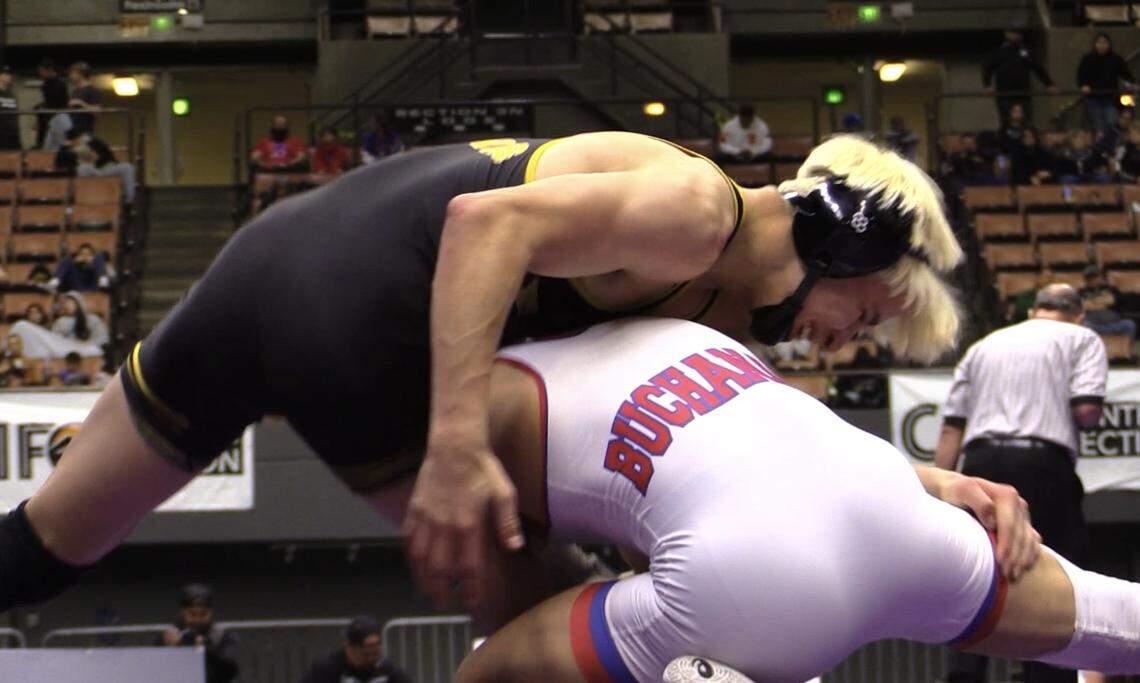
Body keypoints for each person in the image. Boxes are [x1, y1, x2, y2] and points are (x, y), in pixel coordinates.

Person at [4, 133, 964, 615]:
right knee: (543, 612)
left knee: (43, 551)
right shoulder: (694, 211)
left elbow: (772, 450)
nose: (847, 344)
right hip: (358, 305)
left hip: (272, 264)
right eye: (869, 315)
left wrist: (932, 483)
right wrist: (456, 444)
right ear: (839, 250)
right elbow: (481, 224)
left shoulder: (718, 308)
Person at [442, 317, 1139, 682]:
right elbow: (788, 458)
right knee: (1116, 619)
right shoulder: (689, 330)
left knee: (488, 667)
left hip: (740, 581)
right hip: (889, 502)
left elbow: (500, 568)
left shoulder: (482, 397)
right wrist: (946, 482)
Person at [935, 284, 1109, 683]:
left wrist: (939, 498)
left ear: (1034, 312)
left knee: (976, 571)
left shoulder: (984, 345)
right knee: (1054, 575)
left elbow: (950, 431)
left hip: (978, 463)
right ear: (1078, 314)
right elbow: (1086, 409)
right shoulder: (1082, 338)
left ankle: (963, 675)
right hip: (1041, 462)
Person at [160, 584, 239, 683]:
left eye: (203, 614)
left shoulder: (223, 636)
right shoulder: (169, 636)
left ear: (211, 612)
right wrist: (169, 650)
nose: (197, 619)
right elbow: (157, 670)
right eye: (192, 614)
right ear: (183, 612)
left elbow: (230, 670)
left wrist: (206, 650)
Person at [299, 615, 411, 683]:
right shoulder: (326, 669)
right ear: (349, 647)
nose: (373, 654)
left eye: (377, 646)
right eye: (368, 648)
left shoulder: (386, 670)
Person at [983, 29, 1058, 128]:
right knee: (1007, 123)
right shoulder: (998, 52)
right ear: (1007, 34)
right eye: (1014, 33)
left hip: (1024, 94)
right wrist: (987, 85)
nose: (1016, 36)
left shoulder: (1026, 52)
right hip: (1005, 95)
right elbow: (987, 69)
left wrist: (1049, 84)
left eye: (1019, 33)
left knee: (1026, 123)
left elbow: (1038, 69)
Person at [56, 127, 136, 202]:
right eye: (73, 141)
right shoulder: (65, 149)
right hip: (84, 172)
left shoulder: (94, 142)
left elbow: (109, 156)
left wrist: (97, 158)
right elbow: (59, 163)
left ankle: (129, 200)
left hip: (102, 169)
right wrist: (75, 154)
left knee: (127, 167)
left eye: (78, 139)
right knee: (84, 168)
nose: (76, 142)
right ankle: (84, 199)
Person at [1077, 33, 1135, 134]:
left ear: (1109, 44)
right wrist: (1083, 86)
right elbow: (1081, 76)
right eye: (1099, 43)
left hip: (1111, 98)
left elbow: (1126, 74)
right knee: (1099, 124)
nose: (1102, 45)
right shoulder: (1087, 59)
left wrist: (1131, 84)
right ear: (1095, 44)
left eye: (1104, 43)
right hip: (1093, 97)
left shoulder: (1116, 59)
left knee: (1112, 121)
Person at [1080, 266, 1136, 340]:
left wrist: (1093, 303)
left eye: (1095, 277)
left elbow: (1111, 300)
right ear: (1085, 280)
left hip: (1113, 324)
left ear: (1100, 277)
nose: (1093, 280)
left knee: (1129, 325)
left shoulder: (1111, 289)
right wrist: (1103, 302)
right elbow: (1085, 305)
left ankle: (1125, 350)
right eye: (1089, 278)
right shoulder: (1081, 292)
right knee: (1083, 326)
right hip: (1093, 326)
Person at [49, 243, 114, 293]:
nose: (85, 257)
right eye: (82, 254)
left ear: (92, 255)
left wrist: (91, 263)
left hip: (95, 288)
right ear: (78, 256)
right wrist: (75, 262)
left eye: (88, 254)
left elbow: (112, 275)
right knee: (67, 260)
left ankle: (103, 281)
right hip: (77, 288)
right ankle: (53, 283)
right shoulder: (72, 263)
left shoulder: (98, 260)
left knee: (99, 257)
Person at [36, 60, 71, 151]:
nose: (41, 74)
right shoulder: (46, 84)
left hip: (59, 115)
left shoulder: (59, 84)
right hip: (51, 117)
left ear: (49, 70)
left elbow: (58, 101)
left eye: (42, 71)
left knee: (60, 143)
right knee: (48, 145)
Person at [66, 62, 101, 136]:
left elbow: (97, 111)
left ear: (79, 74)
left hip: (86, 132)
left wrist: (81, 103)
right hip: (74, 130)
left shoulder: (92, 90)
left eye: (72, 74)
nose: (70, 76)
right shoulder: (75, 91)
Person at [0, 66, 21, 151]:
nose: (9, 77)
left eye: (9, 75)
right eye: (6, 74)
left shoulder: (11, 95)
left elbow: (15, 115)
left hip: (12, 134)